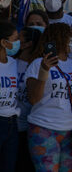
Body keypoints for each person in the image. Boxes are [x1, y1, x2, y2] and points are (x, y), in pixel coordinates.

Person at [25, 23, 72, 171]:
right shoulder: (37, 64)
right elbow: (33, 99)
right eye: (70, 36)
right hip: (44, 129)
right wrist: (44, 70)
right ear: (59, 38)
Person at [16, 27, 41, 172]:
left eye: (19, 38)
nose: (15, 41)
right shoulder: (11, 62)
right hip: (11, 124)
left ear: (28, 44)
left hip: (29, 127)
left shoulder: (37, 66)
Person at [0, 20, 20, 172]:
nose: (18, 42)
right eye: (15, 39)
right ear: (4, 42)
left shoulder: (14, 62)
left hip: (12, 122)